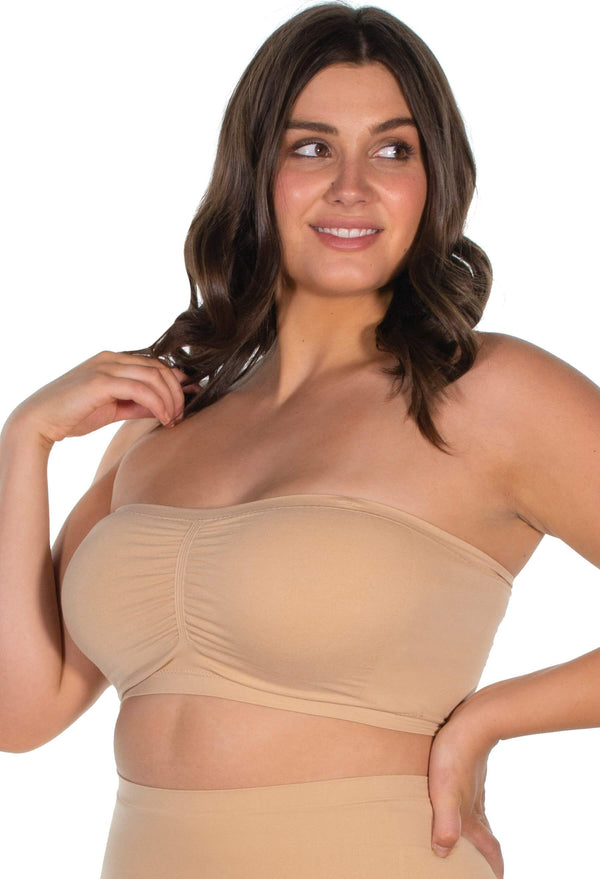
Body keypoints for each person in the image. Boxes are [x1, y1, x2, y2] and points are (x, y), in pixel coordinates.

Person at [0, 2, 598, 877]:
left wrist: (488, 719)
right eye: (311, 147)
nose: (351, 186)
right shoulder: (163, 421)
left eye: (393, 151)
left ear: (434, 179)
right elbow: (23, 712)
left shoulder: (489, 392)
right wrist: (25, 441)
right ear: (256, 172)